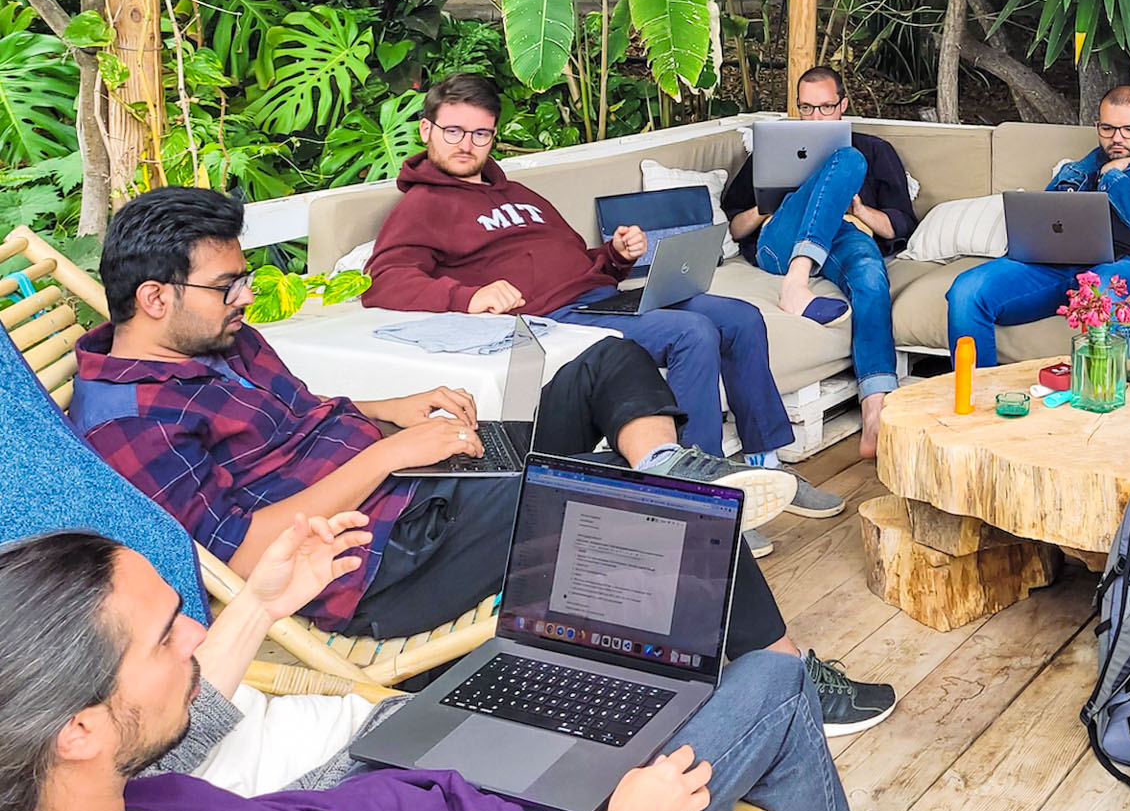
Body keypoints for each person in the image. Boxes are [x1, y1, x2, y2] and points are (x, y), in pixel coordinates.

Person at [69, 187, 895, 735]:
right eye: (229, 284)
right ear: (154, 298)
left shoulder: (215, 338)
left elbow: (307, 414)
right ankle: (786, 683)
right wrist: (399, 450)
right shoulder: (127, 419)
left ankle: (671, 465)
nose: (246, 297)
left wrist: (397, 410)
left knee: (605, 364)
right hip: (381, 560)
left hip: (424, 483)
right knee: (624, 501)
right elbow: (247, 556)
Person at [0, 516, 886, 811]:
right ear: (77, 728)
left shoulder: (75, 802)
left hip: (418, 755)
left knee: (583, 660)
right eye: (165, 636)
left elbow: (200, 719)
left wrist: (264, 603)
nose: (195, 636)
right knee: (774, 681)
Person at [360, 73, 847, 558]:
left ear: (492, 136)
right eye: (453, 131)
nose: (466, 145)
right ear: (426, 130)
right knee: (691, 332)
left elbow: (574, 260)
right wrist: (467, 296)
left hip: (601, 295)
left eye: (480, 133)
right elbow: (385, 280)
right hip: (558, 317)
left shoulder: (520, 195)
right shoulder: (421, 207)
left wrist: (614, 255)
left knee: (739, 317)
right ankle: (707, 496)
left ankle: (767, 459)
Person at [721, 66, 916, 459]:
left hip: (848, 236)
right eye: (806, 108)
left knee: (872, 279)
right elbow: (736, 227)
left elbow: (901, 223)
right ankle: (796, 280)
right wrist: (771, 205)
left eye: (825, 108)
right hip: (780, 243)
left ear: (843, 105)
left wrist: (861, 209)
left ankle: (875, 410)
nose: (815, 118)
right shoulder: (772, 151)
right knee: (848, 161)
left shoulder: (874, 150)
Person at [945, 85, 1130, 366]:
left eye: (1128, 130)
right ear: (1097, 127)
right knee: (967, 291)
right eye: (1108, 129)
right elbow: (1043, 225)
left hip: (1128, 268)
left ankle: (1095, 401)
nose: (1117, 138)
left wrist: (1113, 179)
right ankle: (977, 400)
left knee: (1100, 294)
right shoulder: (1074, 171)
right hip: (1060, 266)